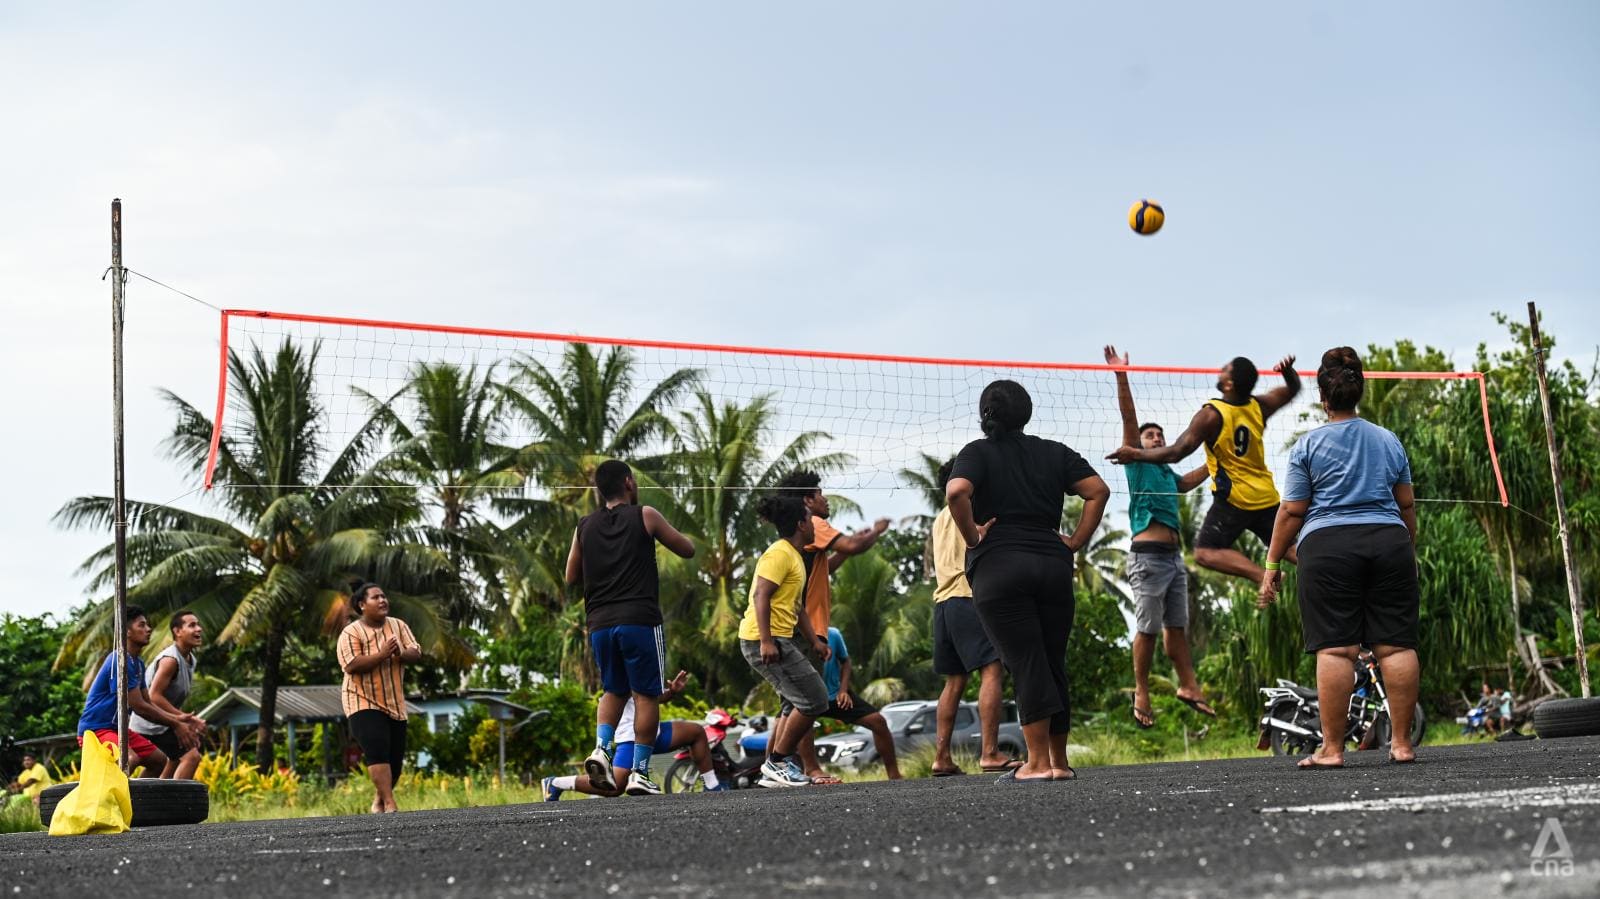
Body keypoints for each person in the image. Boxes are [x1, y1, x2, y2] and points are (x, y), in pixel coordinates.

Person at [1259, 347, 1420, 768]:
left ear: (1323, 397)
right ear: (1359, 390)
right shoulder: (1389, 439)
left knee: (1336, 649)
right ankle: (1402, 744)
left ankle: (1332, 750)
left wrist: (1272, 564)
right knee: (1395, 646)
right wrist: (1407, 550)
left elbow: (1291, 511)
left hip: (1328, 548)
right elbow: (1406, 504)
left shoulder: (1308, 445)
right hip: (1389, 541)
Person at [947, 380, 1110, 783]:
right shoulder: (1054, 452)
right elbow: (1098, 491)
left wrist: (973, 538)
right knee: (1052, 661)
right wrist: (1075, 541)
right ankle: (1057, 762)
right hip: (1052, 565)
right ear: (1027, 413)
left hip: (1000, 567)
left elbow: (956, 492)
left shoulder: (977, 452)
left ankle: (1036, 764)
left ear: (985, 414)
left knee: (1026, 662)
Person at [1108, 353, 1301, 585]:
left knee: (1204, 552)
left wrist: (1134, 454)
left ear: (1229, 385)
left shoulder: (1211, 415)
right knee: (1290, 548)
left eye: (1225, 369)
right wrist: (1288, 373)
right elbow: (1292, 389)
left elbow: (1177, 453)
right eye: (1150, 436)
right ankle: (1330, 568)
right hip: (1266, 495)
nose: (1220, 370)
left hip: (1235, 499)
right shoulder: (1260, 406)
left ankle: (1263, 576)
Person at [565, 459, 696, 797]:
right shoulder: (645, 515)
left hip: (600, 624)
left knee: (614, 690)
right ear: (628, 482)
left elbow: (570, 575)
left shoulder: (583, 526)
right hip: (639, 619)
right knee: (646, 695)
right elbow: (688, 549)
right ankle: (640, 772)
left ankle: (601, 750)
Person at [1104, 346, 1215, 728]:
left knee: (1176, 629)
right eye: (1150, 435)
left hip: (1173, 559)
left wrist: (1216, 460)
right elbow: (1129, 418)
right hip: (1147, 557)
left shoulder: (1167, 473)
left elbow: (1188, 481)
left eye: (1159, 435)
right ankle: (1142, 691)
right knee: (1148, 630)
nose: (1155, 438)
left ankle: (1188, 685)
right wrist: (1121, 375)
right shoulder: (1136, 462)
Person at [773, 469, 889, 784]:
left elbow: (824, 569)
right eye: (820, 493)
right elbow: (852, 545)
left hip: (795, 626)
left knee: (791, 704)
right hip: (804, 627)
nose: (825, 500)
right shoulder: (813, 522)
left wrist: (844, 551)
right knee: (805, 703)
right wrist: (875, 532)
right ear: (808, 500)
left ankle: (774, 767)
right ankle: (807, 767)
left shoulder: (799, 537)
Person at [738, 492, 833, 788]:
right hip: (763, 639)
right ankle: (777, 763)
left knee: (796, 703)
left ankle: (775, 770)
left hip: (780, 638)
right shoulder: (779, 553)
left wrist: (815, 642)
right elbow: (761, 595)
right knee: (815, 699)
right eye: (811, 519)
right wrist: (767, 641)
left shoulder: (795, 556)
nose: (815, 524)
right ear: (801, 524)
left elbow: (797, 607)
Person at [929, 458, 1016, 776]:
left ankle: (941, 757)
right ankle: (990, 752)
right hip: (968, 598)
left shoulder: (940, 518)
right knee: (992, 669)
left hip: (943, 603)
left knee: (955, 681)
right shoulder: (969, 508)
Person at [541, 671, 728, 799]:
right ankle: (556, 783)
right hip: (632, 738)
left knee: (696, 732)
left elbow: (651, 698)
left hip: (654, 732)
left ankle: (711, 785)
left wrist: (671, 692)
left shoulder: (640, 665)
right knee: (614, 787)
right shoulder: (621, 669)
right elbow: (639, 695)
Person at [337, 581, 422, 813]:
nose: (383, 600)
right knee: (377, 749)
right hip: (361, 700)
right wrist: (382, 654)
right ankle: (390, 804)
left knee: (395, 761)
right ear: (362, 605)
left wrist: (401, 653)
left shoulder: (398, 626)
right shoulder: (351, 632)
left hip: (394, 701)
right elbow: (351, 664)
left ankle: (379, 799)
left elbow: (416, 652)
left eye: (384, 596)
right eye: (376, 597)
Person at [76, 605, 188, 775]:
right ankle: (116, 793)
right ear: (126, 631)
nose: (148, 629)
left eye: (147, 625)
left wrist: (178, 718)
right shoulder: (119, 660)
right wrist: (175, 724)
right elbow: (139, 707)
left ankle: (137, 793)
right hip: (96, 729)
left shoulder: (138, 664)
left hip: (117, 729)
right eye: (142, 625)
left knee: (159, 761)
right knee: (129, 759)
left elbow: (148, 703)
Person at [129, 610, 208, 779]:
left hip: (164, 724)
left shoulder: (190, 659)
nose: (199, 629)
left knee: (171, 761)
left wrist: (185, 720)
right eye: (192, 625)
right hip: (148, 724)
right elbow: (154, 696)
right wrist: (182, 720)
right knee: (191, 757)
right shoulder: (170, 660)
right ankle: (173, 797)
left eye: (198, 624)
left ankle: (152, 795)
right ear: (177, 631)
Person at [817, 626, 902, 780]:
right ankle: (810, 771)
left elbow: (846, 661)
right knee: (792, 726)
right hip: (809, 697)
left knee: (878, 721)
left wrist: (843, 690)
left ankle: (894, 774)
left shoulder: (833, 634)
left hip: (835, 695)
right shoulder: (796, 635)